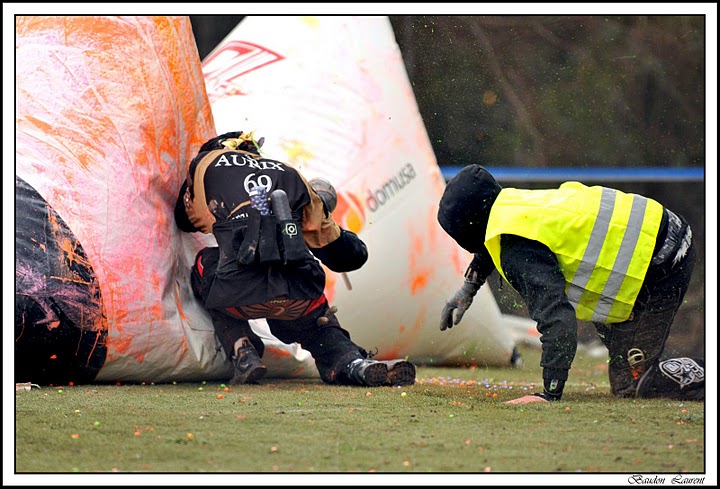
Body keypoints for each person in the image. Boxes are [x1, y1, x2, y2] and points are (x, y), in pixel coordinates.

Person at [436, 164, 704, 404]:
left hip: (663, 259)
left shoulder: (517, 251)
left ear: (466, 228)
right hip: (654, 238)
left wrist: (550, 392)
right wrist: (467, 289)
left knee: (633, 383)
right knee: (624, 357)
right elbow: (489, 244)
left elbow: (558, 319)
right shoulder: (509, 206)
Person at [175, 130, 415, 387]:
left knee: (206, 264)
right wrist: (347, 237)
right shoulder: (290, 174)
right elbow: (344, 257)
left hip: (235, 294)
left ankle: (242, 349)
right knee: (317, 323)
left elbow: (184, 219)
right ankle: (352, 363)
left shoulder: (205, 165)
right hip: (299, 294)